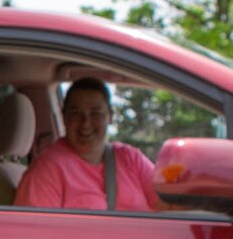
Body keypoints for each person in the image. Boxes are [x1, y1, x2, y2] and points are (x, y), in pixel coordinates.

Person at [14, 78, 159, 211]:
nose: (86, 123)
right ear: (64, 118)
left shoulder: (131, 159)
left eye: (95, 113)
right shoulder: (47, 170)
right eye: (76, 113)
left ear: (110, 117)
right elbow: (34, 235)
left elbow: (169, 204)